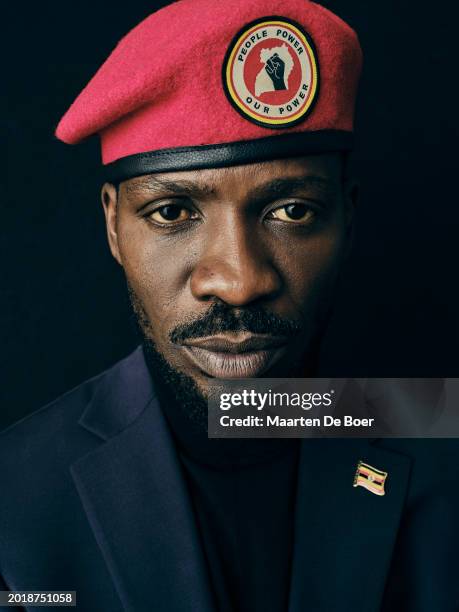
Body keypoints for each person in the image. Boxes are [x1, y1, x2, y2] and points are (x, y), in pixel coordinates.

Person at [1, 1, 458, 610]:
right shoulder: (14, 496)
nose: (239, 283)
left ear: (348, 217)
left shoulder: (442, 449)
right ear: (113, 224)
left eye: (292, 211)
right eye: (173, 213)